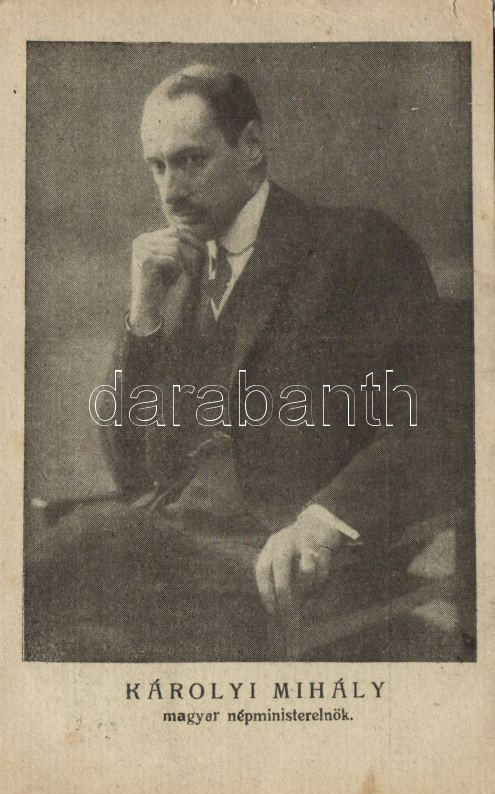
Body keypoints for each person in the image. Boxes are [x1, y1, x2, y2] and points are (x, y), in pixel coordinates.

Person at [26, 64, 466, 662]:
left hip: (294, 561)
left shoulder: (352, 246)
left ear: (251, 147)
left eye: (191, 160)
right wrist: (143, 316)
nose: (171, 191)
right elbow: (132, 471)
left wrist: (325, 520)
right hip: (179, 552)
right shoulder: (175, 278)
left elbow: (439, 418)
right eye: (158, 166)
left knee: (78, 552)